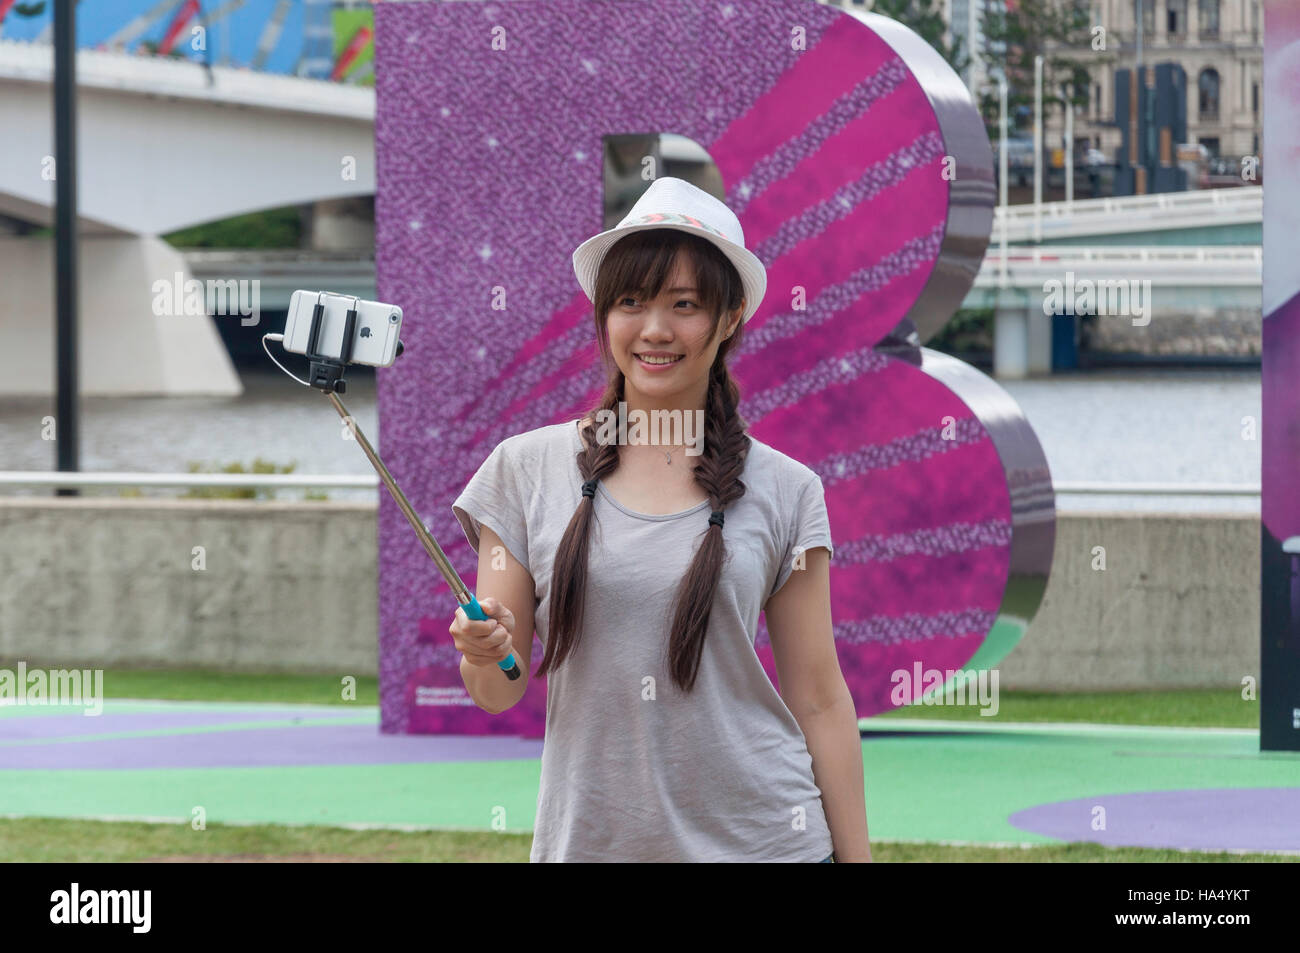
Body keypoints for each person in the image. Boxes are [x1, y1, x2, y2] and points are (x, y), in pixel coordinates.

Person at [449, 176, 870, 863]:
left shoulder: (790, 490)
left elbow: (820, 699)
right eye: (631, 301)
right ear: (603, 313)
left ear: (730, 317)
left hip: (769, 844)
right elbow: (499, 687)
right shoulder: (522, 470)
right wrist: (481, 648)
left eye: (685, 304)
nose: (654, 329)